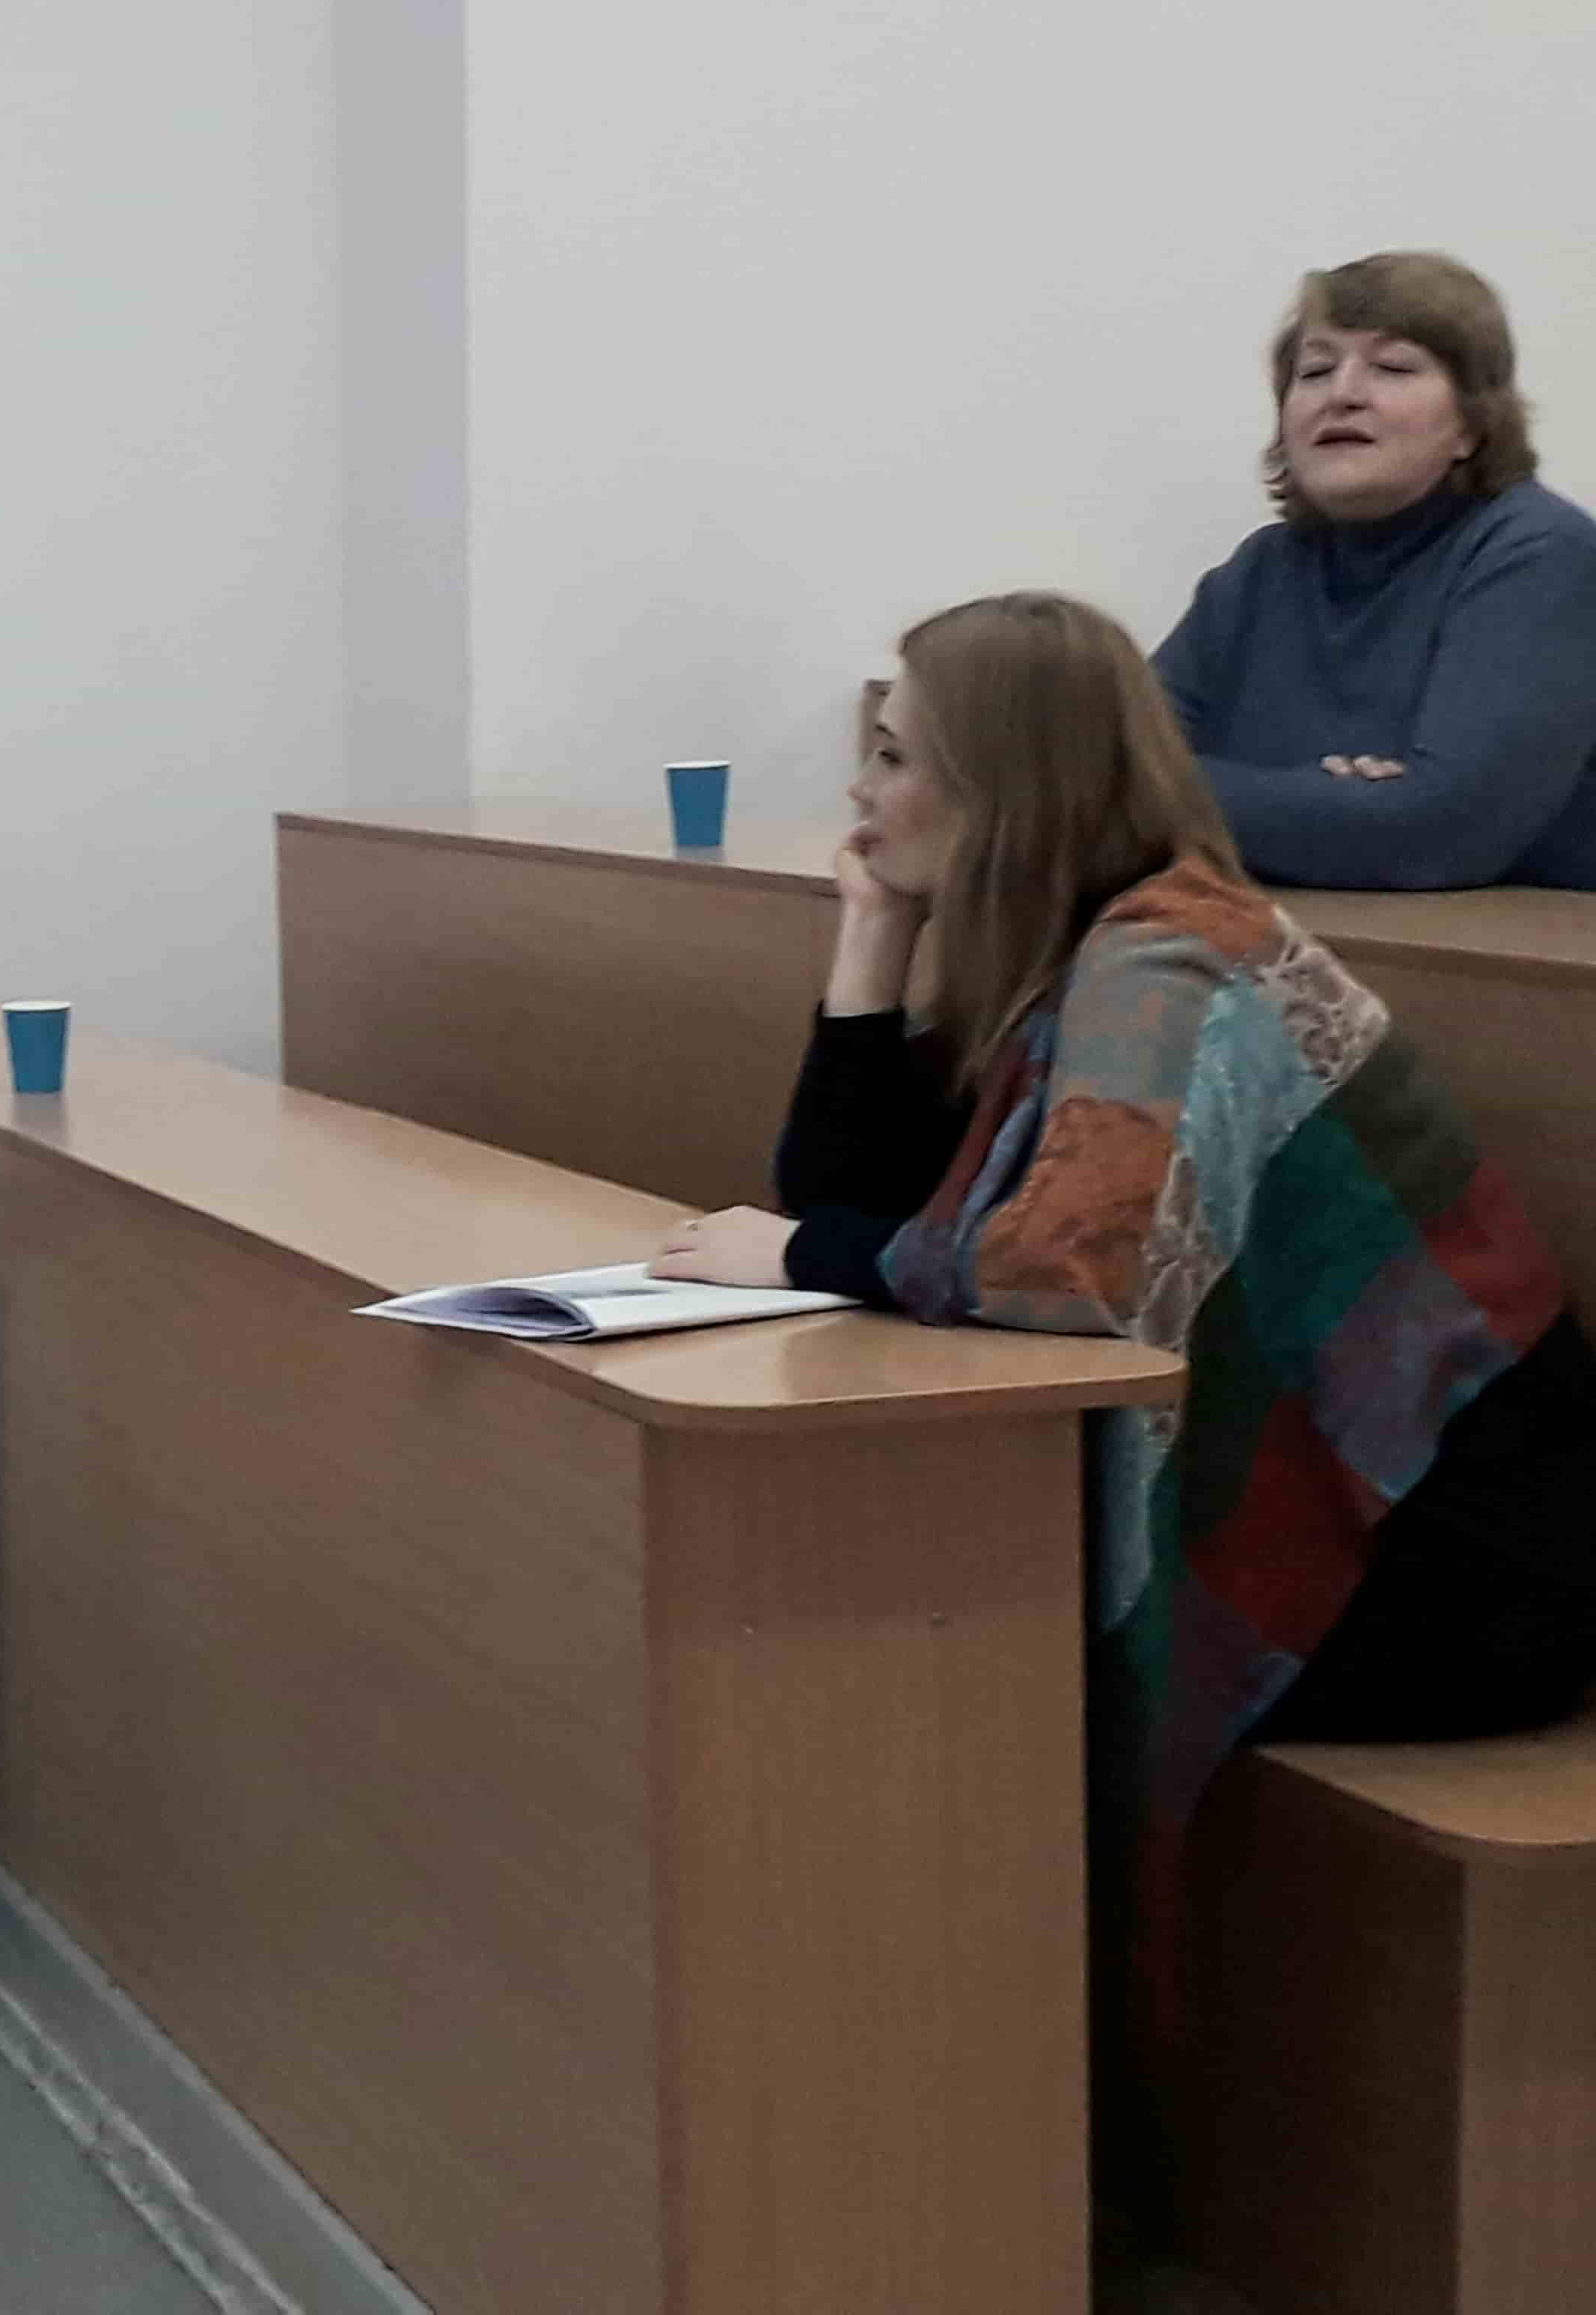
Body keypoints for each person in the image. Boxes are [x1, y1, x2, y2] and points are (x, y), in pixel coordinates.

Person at [650, 590, 1596, 2233]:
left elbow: (1061, 1269)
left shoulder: (1170, 961)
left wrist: (802, 1257)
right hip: (1379, 1511)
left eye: (895, 759)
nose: (860, 795)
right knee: (945, 1635)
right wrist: (868, 939)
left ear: (1005, 787)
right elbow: (861, 1190)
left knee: (977, 1669)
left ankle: (1017, 2177)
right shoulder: (1083, 948)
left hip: (1459, 1559)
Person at [1152, 250, 1596, 889]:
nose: (1343, 394)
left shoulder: (1538, 553)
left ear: (1473, 425)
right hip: (1302, 938)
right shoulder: (1260, 571)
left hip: (1509, 949)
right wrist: (1329, 801)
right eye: (1315, 370)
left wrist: (1189, 796)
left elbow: (1440, 835)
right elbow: (1096, 779)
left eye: (1392, 368)